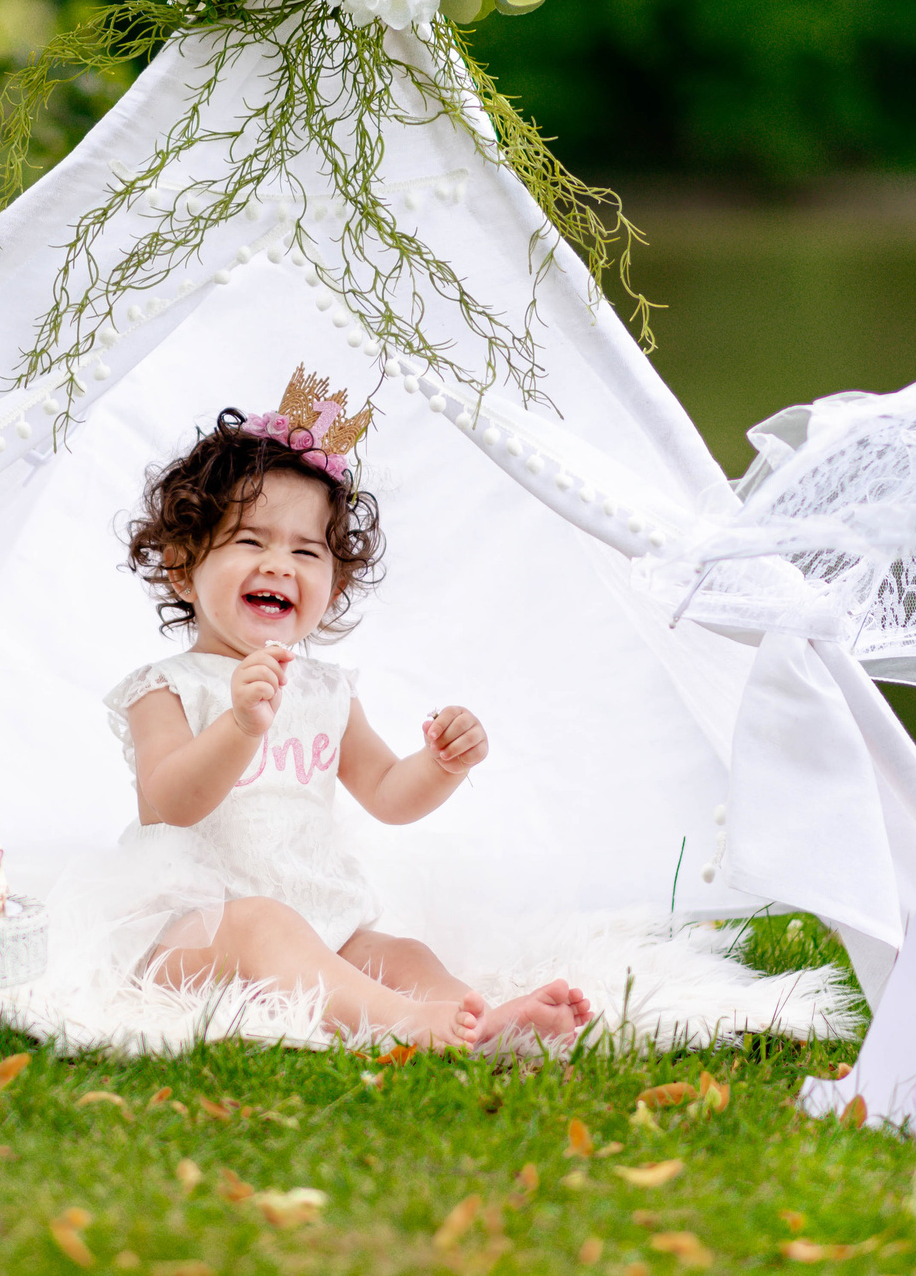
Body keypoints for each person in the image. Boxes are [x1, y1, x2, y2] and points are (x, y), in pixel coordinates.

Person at [95, 374, 594, 1048]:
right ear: (183, 566)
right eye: (250, 541)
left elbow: (387, 792)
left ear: (334, 581)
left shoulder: (324, 691)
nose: (281, 564)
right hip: (197, 928)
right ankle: (416, 1026)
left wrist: (440, 764)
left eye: (307, 550)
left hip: (318, 915)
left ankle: (484, 1017)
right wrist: (239, 725)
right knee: (264, 924)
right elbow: (172, 800)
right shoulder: (166, 686)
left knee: (401, 953)